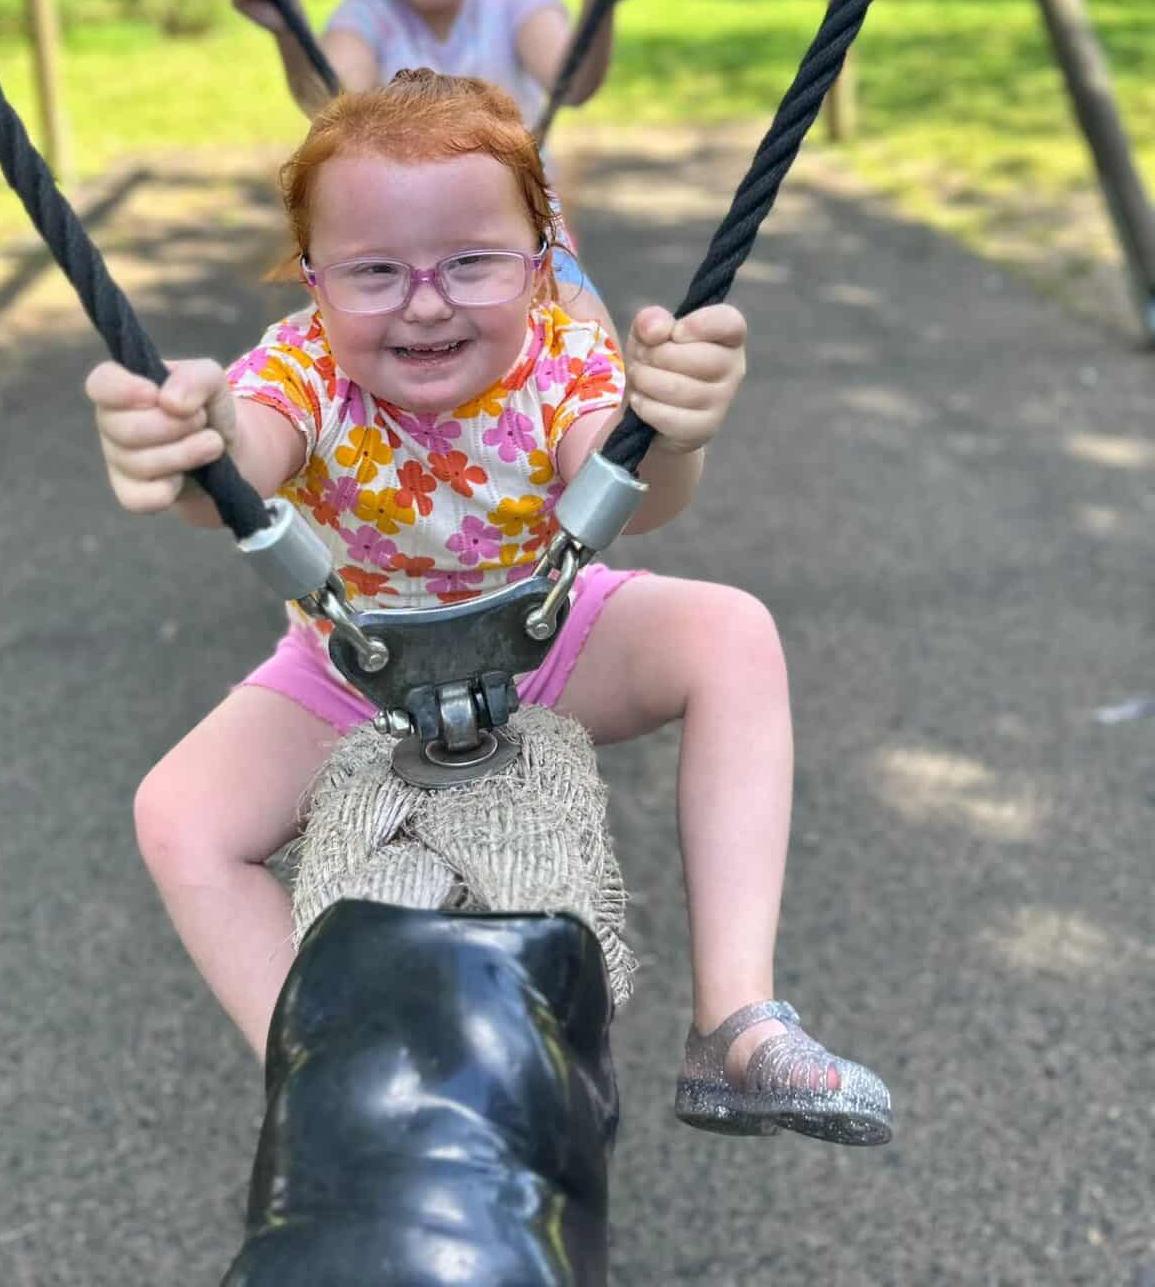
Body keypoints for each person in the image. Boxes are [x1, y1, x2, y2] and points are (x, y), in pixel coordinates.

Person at [86, 70, 892, 1146]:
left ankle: (734, 1022)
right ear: (313, 280)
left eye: (472, 261)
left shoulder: (561, 356)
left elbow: (633, 493)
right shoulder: (305, 367)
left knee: (732, 634)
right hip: (353, 666)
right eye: (374, 272)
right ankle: (324, 1068)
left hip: (544, 635)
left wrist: (678, 428)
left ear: (542, 260)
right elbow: (241, 456)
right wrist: (187, 445)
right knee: (178, 815)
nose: (426, 302)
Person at [230, 0, 659, 330]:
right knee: (313, 345)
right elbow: (330, 96)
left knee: (590, 338)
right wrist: (289, 28)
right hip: (394, 243)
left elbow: (573, 80)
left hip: (518, 236)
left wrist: (598, 2)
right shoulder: (368, 12)